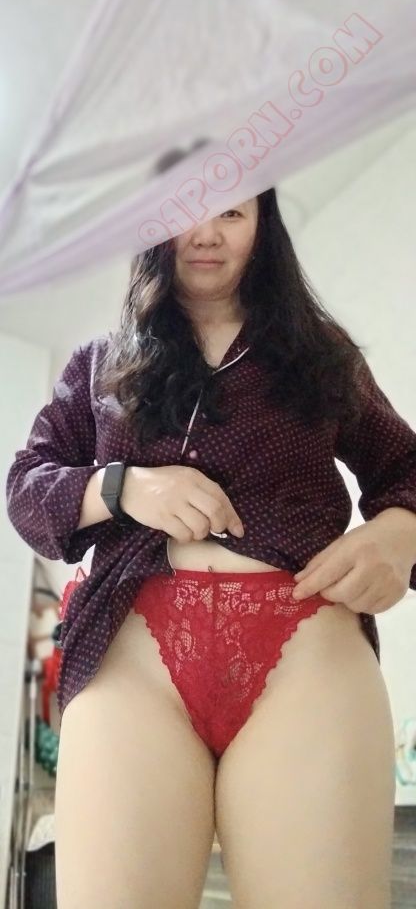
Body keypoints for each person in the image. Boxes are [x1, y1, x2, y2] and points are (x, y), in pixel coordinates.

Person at [6, 151, 416, 909]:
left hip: (306, 653)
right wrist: (124, 486)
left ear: (263, 226)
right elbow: (26, 488)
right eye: (188, 207)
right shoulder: (99, 364)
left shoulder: (319, 355)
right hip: (133, 660)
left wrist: (399, 533)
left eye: (232, 210)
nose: (206, 232)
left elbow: (405, 468)